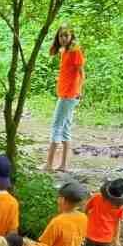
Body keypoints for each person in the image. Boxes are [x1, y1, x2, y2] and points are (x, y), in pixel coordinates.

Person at [45, 27, 85, 174]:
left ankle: (49, 165)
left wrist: (79, 91)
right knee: (65, 128)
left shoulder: (75, 51)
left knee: (56, 126)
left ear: (71, 36)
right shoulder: (64, 51)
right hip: (64, 93)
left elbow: (81, 73)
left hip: (69, 95)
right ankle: (63, 165)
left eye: (66, 36)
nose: (63, 38)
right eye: (61, 36)